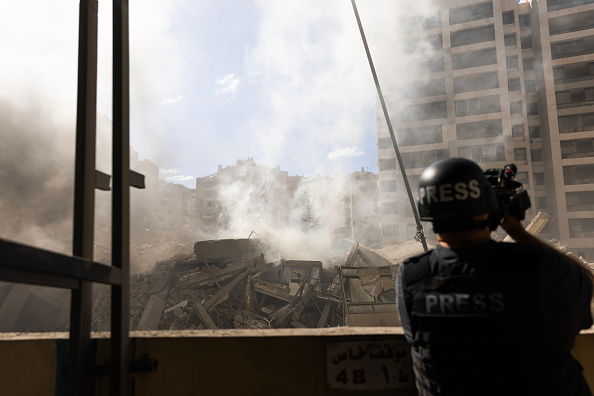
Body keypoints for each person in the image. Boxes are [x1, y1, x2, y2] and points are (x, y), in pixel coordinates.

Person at [396, 157, 594, 396]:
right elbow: (587, 283)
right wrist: (516, 230)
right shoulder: (537, 265)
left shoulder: (412, 276)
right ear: (490, 206)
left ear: (428, 212)